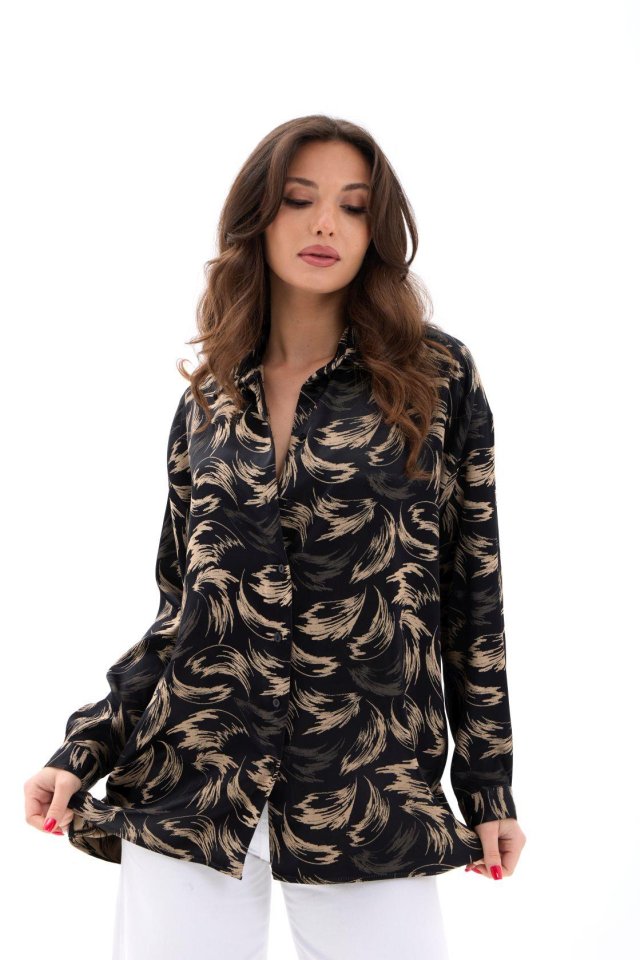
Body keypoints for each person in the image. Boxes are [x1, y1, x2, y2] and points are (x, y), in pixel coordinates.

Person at [25, 115, 526, 959]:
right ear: (257, 216)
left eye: (353, 206)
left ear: (377, 230)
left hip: (366, 791)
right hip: (192, 781)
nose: (326, 223)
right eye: (300, 199)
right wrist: (82, 750)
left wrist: (488, 788)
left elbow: (472, 596)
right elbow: (183, 614)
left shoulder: (436, 378)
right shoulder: (210, 398)